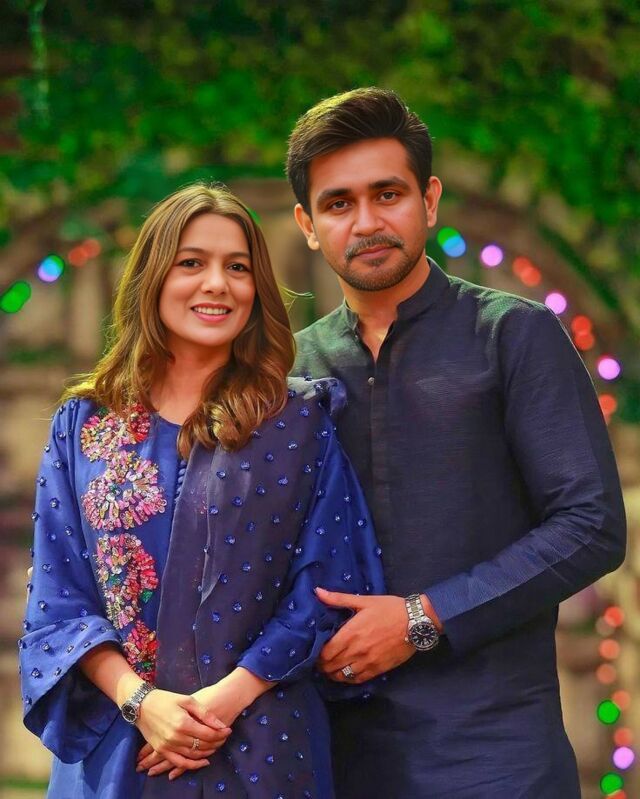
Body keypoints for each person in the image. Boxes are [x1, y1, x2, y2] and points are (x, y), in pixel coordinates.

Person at [288, 88, 627, 798]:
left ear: (430, 199)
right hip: (334, 756)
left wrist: (424, 617)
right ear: (309, 225)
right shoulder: (291, 368)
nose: (367, 222)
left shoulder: (513, 334)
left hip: (495, 756)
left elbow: (590, 525)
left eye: (388, 194)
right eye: (339, 203)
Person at [19, 183, 385, 799]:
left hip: (262, 743)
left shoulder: (296, 423)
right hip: (122, 748)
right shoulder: (84, 425)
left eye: (237, 268)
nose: (217, 284)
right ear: (153, 278)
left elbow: (328, 586)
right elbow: (59, 597)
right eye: (192, 262)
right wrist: (143, 703)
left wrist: (221, 702)